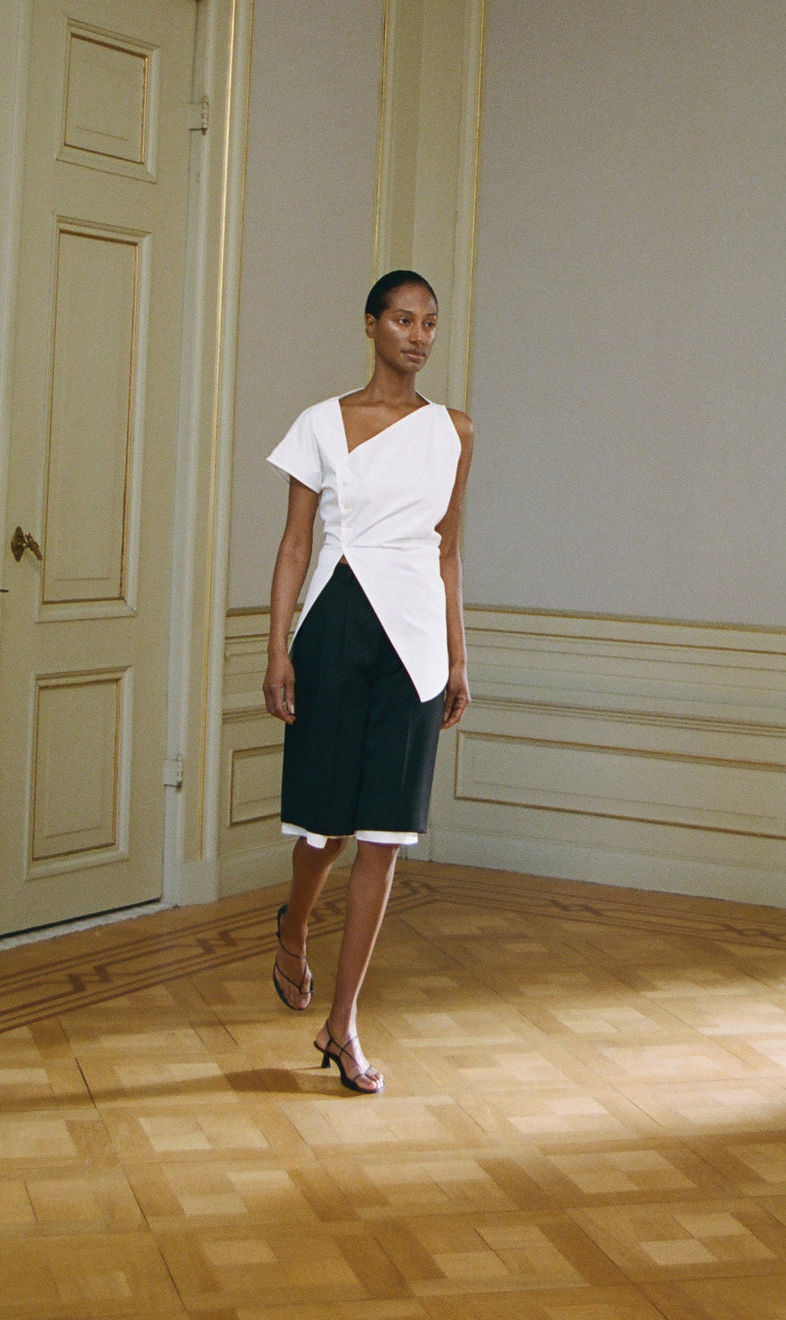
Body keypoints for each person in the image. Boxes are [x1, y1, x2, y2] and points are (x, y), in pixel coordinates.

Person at [262, 270, 473, 1094]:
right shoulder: (321, 423)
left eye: (430, 323)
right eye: (403, 320)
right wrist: (277, 649)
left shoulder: (454, 431)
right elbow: (294, 544)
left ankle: (342, 1022)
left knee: (384, 837)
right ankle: (293, 927)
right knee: (324, 831)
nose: (418, 336)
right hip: (334, 626)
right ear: (370, 325)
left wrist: (458, 657)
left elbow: (448, 551)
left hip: (415, 643)